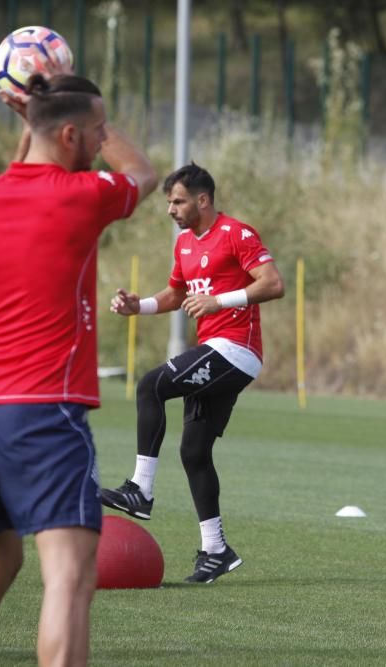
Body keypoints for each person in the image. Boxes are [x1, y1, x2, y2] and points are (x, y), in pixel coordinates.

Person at [0, 74, 158, 666]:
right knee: (69, 578)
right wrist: (102, 129)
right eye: (94, 130)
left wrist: (32, 111)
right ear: (71, 134)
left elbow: (29, 160)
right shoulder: (82, 195)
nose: (100, 139)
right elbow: (145, 174)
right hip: (45, 411)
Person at [100, 163, 285, 584]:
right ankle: (216, 550)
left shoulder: (237, 233)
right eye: (168, 202)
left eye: (178, 200)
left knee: (151, 385)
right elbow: (176, 294)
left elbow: (273, 284)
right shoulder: (185, 243)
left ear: (203, 199)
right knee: (194, 453)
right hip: (213, 351)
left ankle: (140, 490)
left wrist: (220, 302)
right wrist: (139, 306)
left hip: (236, 349)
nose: (171, 209)